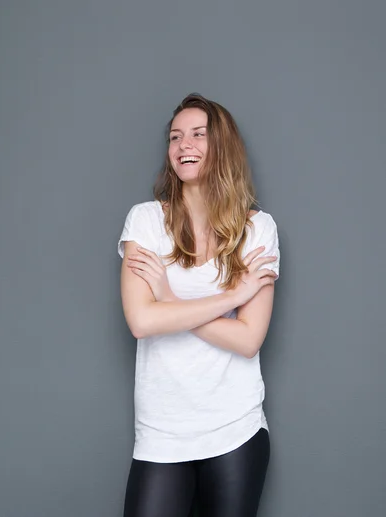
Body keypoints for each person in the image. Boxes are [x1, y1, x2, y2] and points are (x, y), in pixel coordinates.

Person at [117, 93, 280, 517]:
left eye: (197, 135)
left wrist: (168, 300)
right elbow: (140, 320)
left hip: (235, 428)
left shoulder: (258, 230)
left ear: (221, 146)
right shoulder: (146, 221)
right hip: (161, 431)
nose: (183, 145)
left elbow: (247, 341)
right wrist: (230, 298)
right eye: (175, 137)